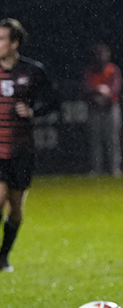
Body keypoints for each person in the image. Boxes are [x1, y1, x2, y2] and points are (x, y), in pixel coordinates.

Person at [0, 18, 59, 273]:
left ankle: (3, 257)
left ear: (15, 43)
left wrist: (33, 110)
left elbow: (54, 101)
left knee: (16, 209)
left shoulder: (33, 71)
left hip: (21, 150)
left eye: (2, 39)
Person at [84, 43, 123, 176]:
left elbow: (115, 87)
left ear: (108, 55)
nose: (101, 56)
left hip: (110, 108)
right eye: (98, 54)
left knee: (112, 140)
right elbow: (86, 87)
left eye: (103, 54)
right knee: (95, 141)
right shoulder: (90, 71)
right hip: (95, 108)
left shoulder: (113, 69)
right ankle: (96, 169)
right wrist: (98, 91)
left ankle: (114, 169)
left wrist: (105, 94)